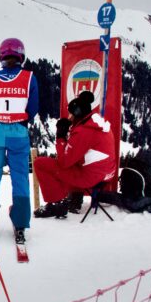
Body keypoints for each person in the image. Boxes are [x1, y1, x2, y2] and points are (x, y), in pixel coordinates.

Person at [0, 38, 39, 245]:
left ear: (1, 55)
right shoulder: (29, 78)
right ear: (21, 55)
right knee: (20, 176)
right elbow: (33, 108)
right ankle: (20, 224)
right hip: (18, 130)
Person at [33, 90, 116, 218]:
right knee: (74, 164)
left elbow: (64, 161)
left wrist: (61, 137)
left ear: (78, 113)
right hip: (106, 173)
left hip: (92, 177)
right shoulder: (97, 123)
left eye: (71, 113)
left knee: (41, 164)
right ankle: (74, 200)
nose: (69, 116)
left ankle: (56, 204)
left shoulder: (84, 132)